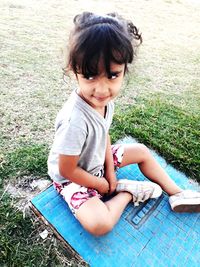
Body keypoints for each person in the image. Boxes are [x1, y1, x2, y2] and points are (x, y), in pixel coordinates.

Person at [48, 12, 200, 236]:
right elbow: (67, 169)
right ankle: (127, 192)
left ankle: (177, 193)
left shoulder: (103, 102)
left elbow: (104, 136)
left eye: (112, 75)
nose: (101, 90)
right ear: (74, 70)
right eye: (90, 76)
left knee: (140, 151)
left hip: (98, 162)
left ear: (124, 70)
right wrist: (101, 185)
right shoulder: (74, 120)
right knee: (100, 225)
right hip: (74, 177)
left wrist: (110, 172)